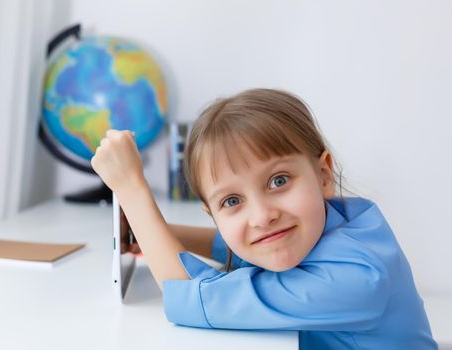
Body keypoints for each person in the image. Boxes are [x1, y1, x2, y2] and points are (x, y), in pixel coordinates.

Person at [91, 88, 437, 349]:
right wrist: (149, 233)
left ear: (323, 174)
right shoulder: (347, 221)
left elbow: (185, 293)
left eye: (278, 181)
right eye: (232, 200)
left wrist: (132, 189)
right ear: (212, 213)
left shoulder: (356, 279)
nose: (262, 216)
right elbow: (243, 243)